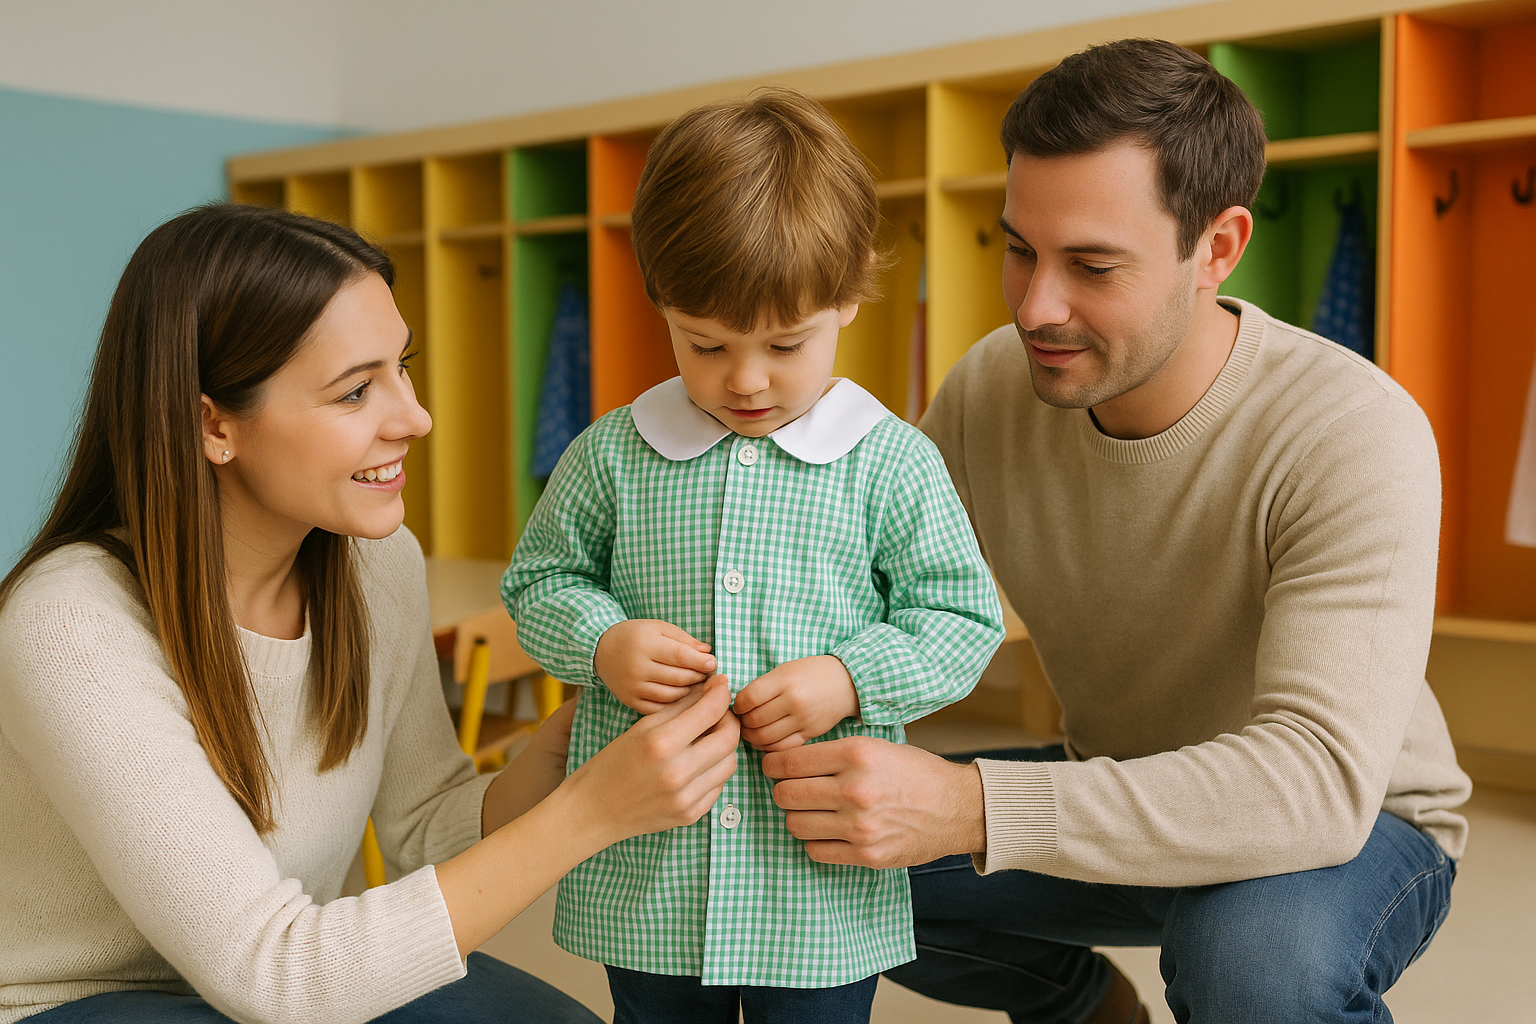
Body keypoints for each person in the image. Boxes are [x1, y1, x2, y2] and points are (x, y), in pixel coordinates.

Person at [759, 39, 1472, 1024]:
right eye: (1019, 249)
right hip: (1119, 777)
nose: (1035, 307)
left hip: (1354, 823)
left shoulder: (1351, 430)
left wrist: (971, 808)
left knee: (1253, 964)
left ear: (1217, 249)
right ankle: (1088, 1010)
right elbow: (849, 592)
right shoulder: (988, 388)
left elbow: (1313, 783)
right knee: (813, 847)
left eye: (1093, 266)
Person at [0, 203, 742, 1024]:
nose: (414, 418)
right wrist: (589, 814)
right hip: (79, 1004)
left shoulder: (375, 566)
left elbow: (428, 825)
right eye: (355, 391)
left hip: (274, 986)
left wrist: (572, 750)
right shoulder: (69, 624)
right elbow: (276, 976)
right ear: (214, 424)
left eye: (401, 367)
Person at [501, 89, 1005, 1024]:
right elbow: (539, 581)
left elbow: (960, 619)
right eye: (706, 344)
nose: (745, 378)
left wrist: (848, 677)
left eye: (785, 343)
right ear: (661, 302)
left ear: (848, 300)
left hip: (815, 888)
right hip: (650, 877)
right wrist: (604, 642)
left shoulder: (890, 463)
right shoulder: (612, 455)